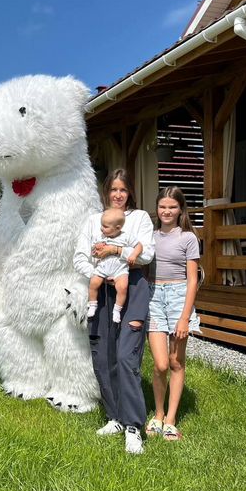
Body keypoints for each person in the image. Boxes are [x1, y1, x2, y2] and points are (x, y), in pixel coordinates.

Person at [73, 169, 154, 454]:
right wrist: (97, 272)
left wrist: (113, 251)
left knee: (125, 355)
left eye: (123, 190)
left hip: (131, 286)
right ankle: (114, 416)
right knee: (103, 353)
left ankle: (133, 425)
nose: (118, 195)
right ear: (106, 192)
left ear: (129, 192)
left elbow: (146, 255)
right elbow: (80, 256)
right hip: (102, 286)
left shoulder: (140, 218)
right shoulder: (93, 220)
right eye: (113, 190)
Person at [145, 186, 200, 442]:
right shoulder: (150, 236)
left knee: (176, 362)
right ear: (157, 209)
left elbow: (192, 280)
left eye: (172, 207)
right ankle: (157, 412)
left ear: (180, 209)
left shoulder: (188, 238)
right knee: (160, 363)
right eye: (163, 206)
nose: (167, 211)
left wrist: (184, 317)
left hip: (179, 299)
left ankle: (170, 419)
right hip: (154, 297)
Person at [87, 208, 143, 323]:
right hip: (102, 268)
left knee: (122, 287)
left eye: (105, 226)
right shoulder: (101, 237)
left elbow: (139, 246)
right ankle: (92, 304)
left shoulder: (126, 237)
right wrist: (96, 249)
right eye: (101, 225)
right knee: (93, 283)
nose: (102, 228)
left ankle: (117, 309)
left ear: (118, 228)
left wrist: (133, 255)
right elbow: (93, 251)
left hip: (119, 270)